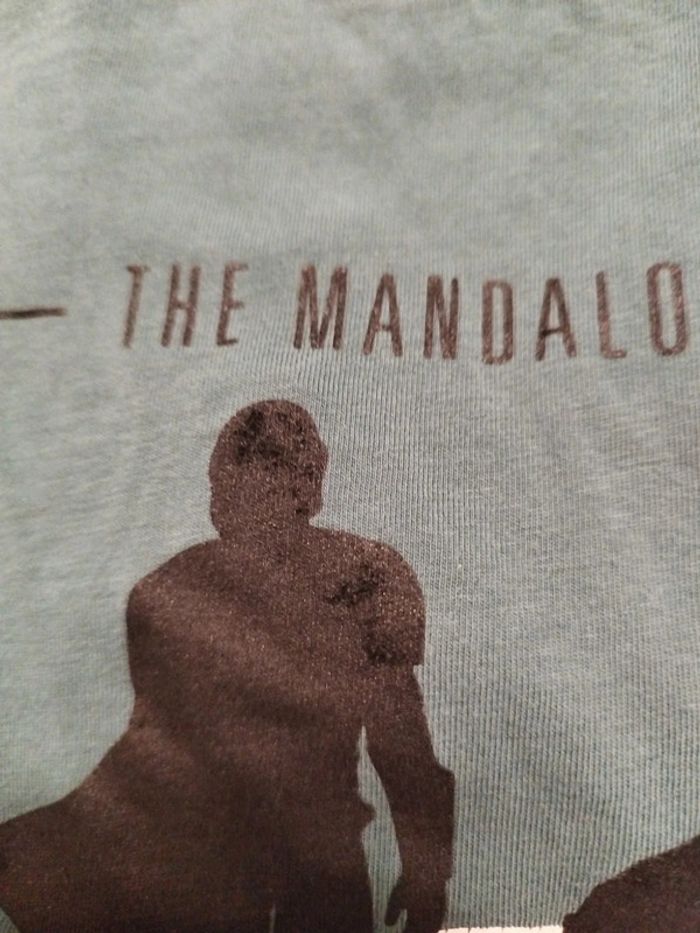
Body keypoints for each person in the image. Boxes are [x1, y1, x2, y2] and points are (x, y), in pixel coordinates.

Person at [0, 399, 454, 933]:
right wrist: (426, 875)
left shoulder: (358, 578)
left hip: (268, 866)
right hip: (232, 866)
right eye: (228, 491)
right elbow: (401, 742)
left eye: (243, 491)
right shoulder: (173, 591)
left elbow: (400, 741)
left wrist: (426, 873)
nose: (227, 506)